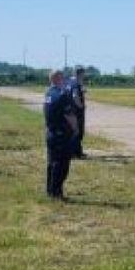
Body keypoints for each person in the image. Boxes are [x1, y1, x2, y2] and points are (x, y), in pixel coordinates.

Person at [43, 70, 76, 199]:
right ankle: (56, 192)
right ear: (57, 79)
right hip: (61, 134)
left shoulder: (49, 93)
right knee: (62, 165)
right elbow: (69, 115)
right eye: (63, 78)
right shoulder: (63, 95)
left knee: (52, 163)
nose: (65, 80)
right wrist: (75, 128)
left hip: (51, 132)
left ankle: (50, 190)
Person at [67, 67, 87, 158]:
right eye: (83, 74)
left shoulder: (69, 82)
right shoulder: (75, 83)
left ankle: (74, 151)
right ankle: (76, 153)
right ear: (80, 74)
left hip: (70, 110)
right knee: (78, 132)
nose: (84, 76)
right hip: (76, 111)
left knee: (72, 131)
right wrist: (80, 105)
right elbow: (75, 96)